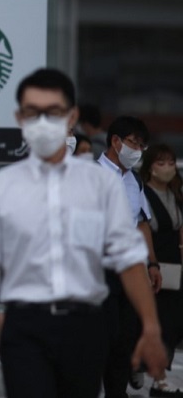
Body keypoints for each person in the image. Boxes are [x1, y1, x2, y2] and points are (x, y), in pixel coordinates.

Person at [0, 68, 166, 398]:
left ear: (71, 117)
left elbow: (128, 259)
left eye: (52, 112)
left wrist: (150, 328)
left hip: (85, 326)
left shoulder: (100, 185)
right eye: (32, 112)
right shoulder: (0, 188)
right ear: (19, 118)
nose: (42, 122)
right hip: (25, 326)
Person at [98, 116, 161, 398]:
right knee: (97, 337)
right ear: (116, 141)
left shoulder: (133, 180)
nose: (138, 150)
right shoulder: (91, 175)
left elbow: (142, 224)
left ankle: (116, 391)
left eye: (141, 145)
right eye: (135, 143)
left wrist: (152, 263)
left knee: (124, 338)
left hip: (129, 272)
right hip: (98, 272)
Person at [140, 144, 183, 397]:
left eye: (170, 162)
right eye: (160, 163)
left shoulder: (177, 195)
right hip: (154, 263)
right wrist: (151, 262)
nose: (166, 168)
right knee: (159, 321)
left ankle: (158, 371)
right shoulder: (143, 194)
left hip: (175, 267)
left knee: (173, 322)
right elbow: (143, 229)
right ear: (150, 167)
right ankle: (156, 375)